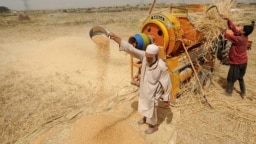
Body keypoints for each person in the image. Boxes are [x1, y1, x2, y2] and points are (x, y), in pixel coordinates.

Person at [108, 32, 171, 134]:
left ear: (156, 56)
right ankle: (145, 118)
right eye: (146, 56)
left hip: (154, 92)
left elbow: (167, 82)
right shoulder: (144, 56)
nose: (147, 59)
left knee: (151, 108)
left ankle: (153, 125)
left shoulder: (162, 66)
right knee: (143, 104)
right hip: (144, 87)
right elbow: (130, 48)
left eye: (150, 58)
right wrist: (115, 37)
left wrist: (166, 98)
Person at [221, 15, 254, 98]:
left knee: (231, 78)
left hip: (237, 62)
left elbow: (228, 36)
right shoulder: (245, 36)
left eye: (242, 29)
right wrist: (228, 19)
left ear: (243, 32)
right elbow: (235, 29)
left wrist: (222, 31)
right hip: (244, 61)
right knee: (240, 77)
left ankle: (228, 93)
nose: (240, 29)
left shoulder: (239, 39)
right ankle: (243, 93)